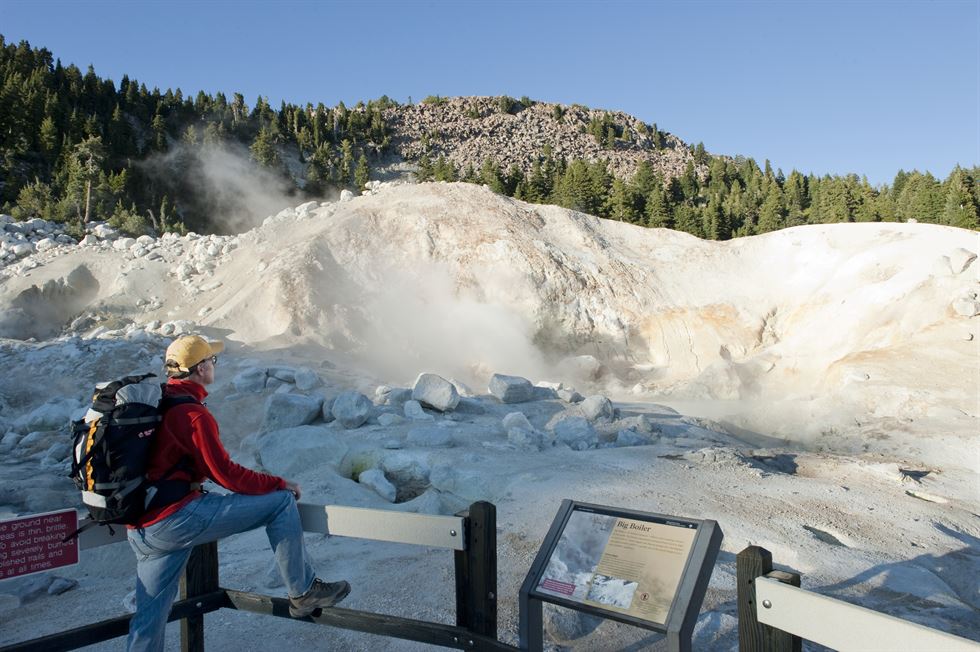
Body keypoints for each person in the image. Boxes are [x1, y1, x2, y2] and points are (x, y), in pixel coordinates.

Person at [126, 335, 350, 651]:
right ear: (200, 367)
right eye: (211, 361)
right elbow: (226, 474)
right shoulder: (192, 414)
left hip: (143, 526)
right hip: (176, 519)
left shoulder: (157, 401)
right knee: (280, 503)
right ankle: (303, 591)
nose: (214, 366)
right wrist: (277, 483)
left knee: (147, 622)